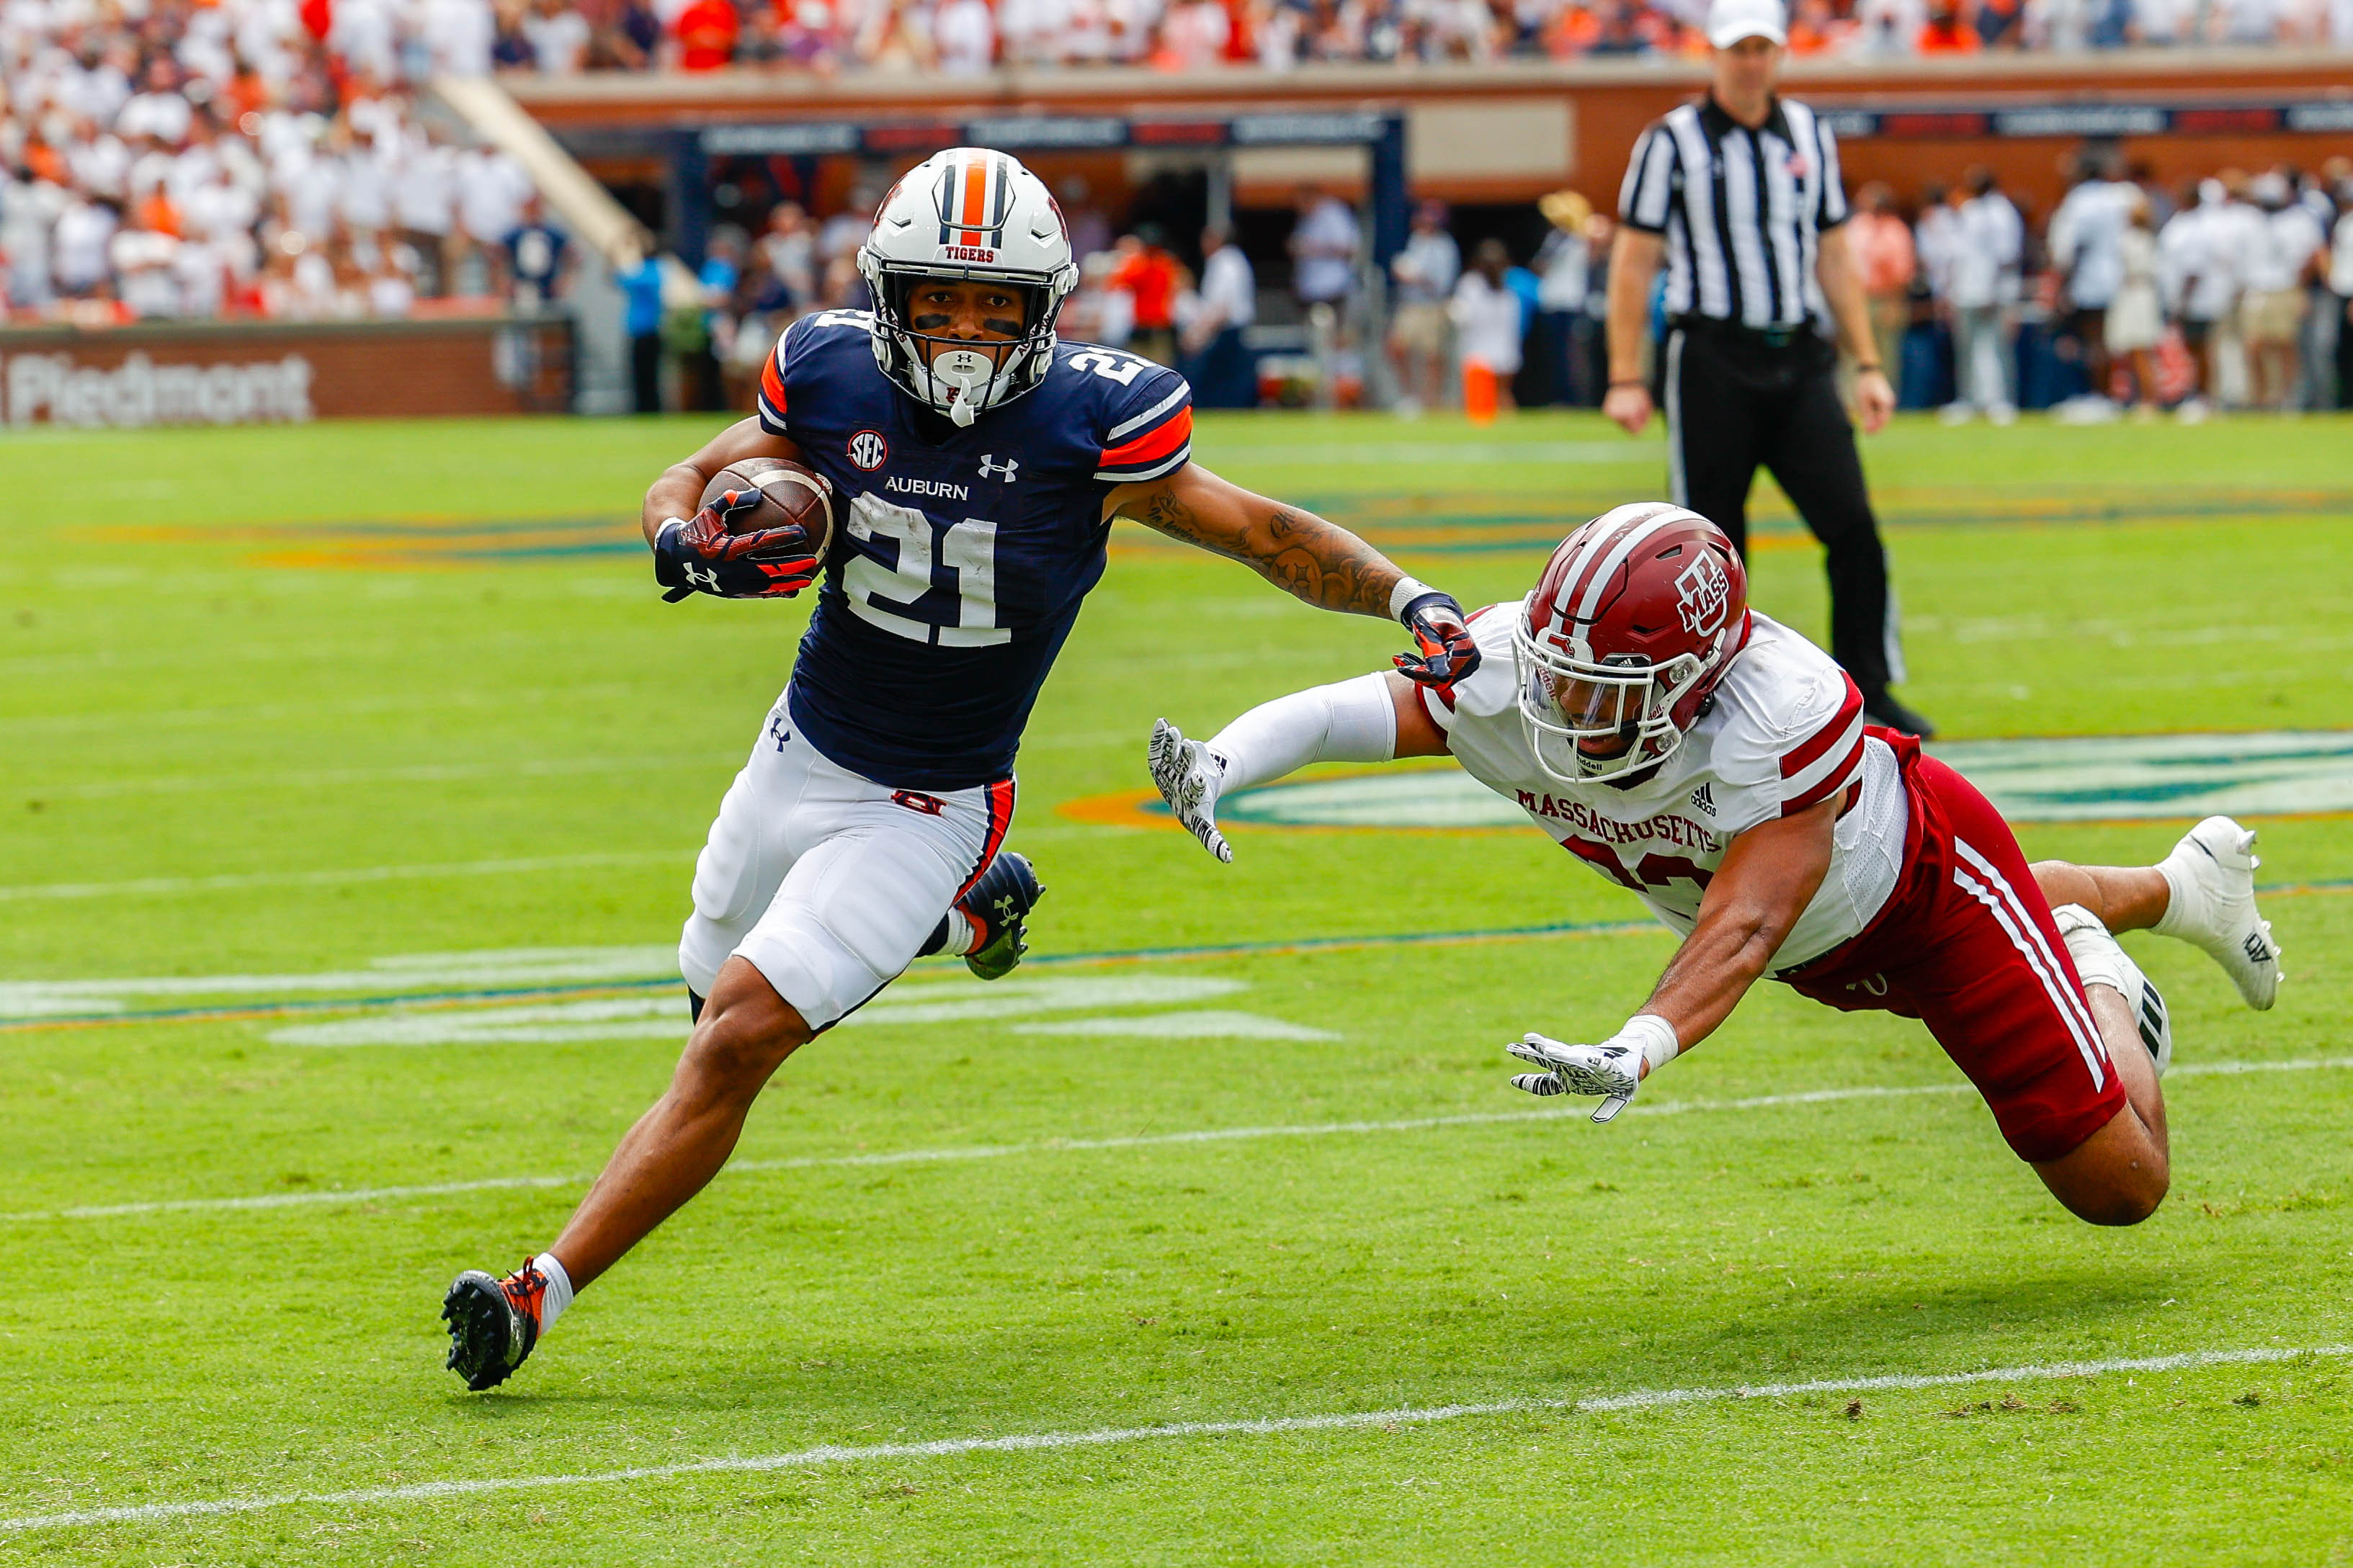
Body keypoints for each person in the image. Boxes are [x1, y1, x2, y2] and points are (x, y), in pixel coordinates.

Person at [440, 148, 1485, 1391]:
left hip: (933, 796)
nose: (967, 328)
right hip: (798, 749)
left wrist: (1407, 597)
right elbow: (694, 474)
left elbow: (1261, 530)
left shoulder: (1095, 421)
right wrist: (681, 536)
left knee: (734, 1041)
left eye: (997, 304)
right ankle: (964, 922)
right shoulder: (828, 373)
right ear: (893, 295)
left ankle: (534, 1295)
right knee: (700, 1002)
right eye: (940, 299)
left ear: (1047, 310)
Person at [1148, 503, 2283, 1224]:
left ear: (1693, 680)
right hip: (1818, 934)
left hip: (1922, 895)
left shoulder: (1777, 712)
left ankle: (2095, 979)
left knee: (2120, 1190)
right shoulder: (1517, 668)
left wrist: (1639, 1044)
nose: (1559, 703)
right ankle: (2182, 886)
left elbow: (1745, 922)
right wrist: (1223, 760)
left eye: (1600, 688)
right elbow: (1355, 710)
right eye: (1553, 668)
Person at [1604, 0, 1932, 740]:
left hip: (1799, 357)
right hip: (1710, 356)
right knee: (1705, 546)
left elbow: (1831, 254)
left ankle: (1869, 685)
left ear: (1779, 53)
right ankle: (1705, 698)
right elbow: (1633, 263)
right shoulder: (1672, 141)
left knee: (1851, 525)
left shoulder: (1807, 134)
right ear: (1713, 54)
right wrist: (1625, 372)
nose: (1749, 61)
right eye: (1736, 48)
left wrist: (1867, 361)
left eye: (1761, 47)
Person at [2048, 151, 2135, 406]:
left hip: (2088, 280)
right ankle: (2108, 394)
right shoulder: (2118, 197)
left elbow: (2072, 247)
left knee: (2093, 342)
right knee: (2107, 341)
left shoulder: (2079, 200)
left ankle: (2099, 396)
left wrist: (2062, 284)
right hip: (2117, 277)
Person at [1938, 167, 2022, 424]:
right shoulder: (1969, 211)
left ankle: (2000, 401)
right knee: (1966, 347)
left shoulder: (2002, 212)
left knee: (1996, 347)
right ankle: (1969, 400)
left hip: (1993, 292)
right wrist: (1950, 291)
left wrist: (1994, 291)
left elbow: (2006, 256)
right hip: (1966, 290)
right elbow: (1958, 255)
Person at [1386, 198, 1460, 413]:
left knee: (1432, 356)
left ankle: (1432, 401)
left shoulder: (1444, 246)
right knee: (1396, 348)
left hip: (1432, 306)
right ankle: (1410, 398)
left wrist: (1416, 278)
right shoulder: (1416, 241)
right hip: (1409, 305)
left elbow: (1442, 284)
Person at [1844, 182, 1914, 403]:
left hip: (1885, 298)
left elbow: (1902, 272)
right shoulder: (1857, 226)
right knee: (1853, 351)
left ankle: (1884, 401)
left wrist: (1894, 304)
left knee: (1885, 353)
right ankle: (1851, 401)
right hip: (1857, 297)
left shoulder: (1895, 229)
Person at [1178, 223, 1257, 408]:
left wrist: (1199, 332)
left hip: (1226, 329)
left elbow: (1222, 306)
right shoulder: (1235, 260)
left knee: (1214, 375)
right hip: (1230, 328)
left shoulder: (1224, 262)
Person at [1450, 237, 1523, 419]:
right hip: (1479, 350)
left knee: (1501, 395)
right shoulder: (1472, 284)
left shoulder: (1506, 288)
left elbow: (1461, 315)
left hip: (1491, 351)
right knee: (1482, 399)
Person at [2106, 194, 2164, 416]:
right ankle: (2141, 397)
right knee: (2138, 352)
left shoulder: (2128, 241)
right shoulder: (2150, 240)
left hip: (2134, 296)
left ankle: (2149, 399)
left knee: (2139, 351)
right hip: (2144, 296)